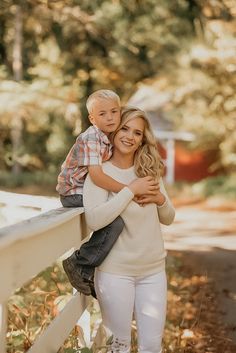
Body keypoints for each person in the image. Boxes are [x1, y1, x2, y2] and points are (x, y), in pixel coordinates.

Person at [83, 106, 175, 353]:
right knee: (119, 346)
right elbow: (94, 219)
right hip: (115, 273)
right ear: (113, 130)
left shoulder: (148, 169)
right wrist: (130, 190)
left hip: (153, 271)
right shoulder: (98, 173)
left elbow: (169, 217)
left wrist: (160, 200)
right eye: (124, 128)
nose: (129, 136)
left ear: (142, 139)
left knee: (152, 346)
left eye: (137, 132)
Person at [56, 89, 159, 297]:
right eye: (103, 114)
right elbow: (97, 177)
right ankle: (79, 264)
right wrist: (130, 190)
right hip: (73, 192)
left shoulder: (107, 136)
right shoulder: (92, 137)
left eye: (114, 111)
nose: (110, 117)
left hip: (85, 190)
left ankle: (89, 267)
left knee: (116, 210)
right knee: (114, 220)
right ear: (92, 119)